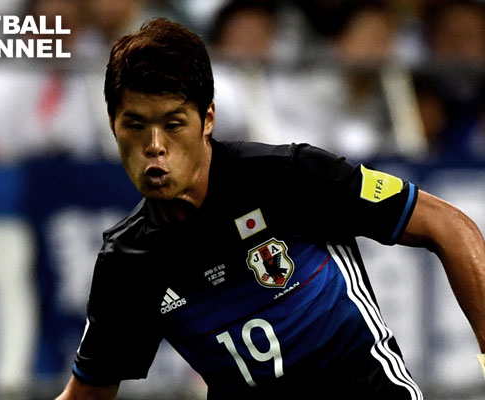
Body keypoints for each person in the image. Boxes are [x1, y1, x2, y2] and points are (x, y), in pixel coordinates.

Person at [55, 17, 485, 399]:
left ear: (207, 119)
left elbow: (446, 224)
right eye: (135, 125)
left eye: (173, 124)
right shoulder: (128, 262)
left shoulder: (288, 176)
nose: (154, 147)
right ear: (112, 125)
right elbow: (88, 394)